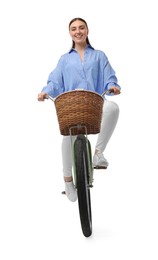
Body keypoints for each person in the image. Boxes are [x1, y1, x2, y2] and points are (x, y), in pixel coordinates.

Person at [38, 17, 121, 202]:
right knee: (68, 136)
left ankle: (98, 154)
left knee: (113, 108)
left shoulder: (99, 56)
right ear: (70, 33)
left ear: (87, 31)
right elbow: (54, 81)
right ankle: (67, 180)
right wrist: (45, 92)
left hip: (95, 105)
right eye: (74, 29)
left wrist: (113, 86)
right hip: (72, 107)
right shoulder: (64, 59)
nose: (78, 31)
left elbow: (110, 77)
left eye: (81, 28)